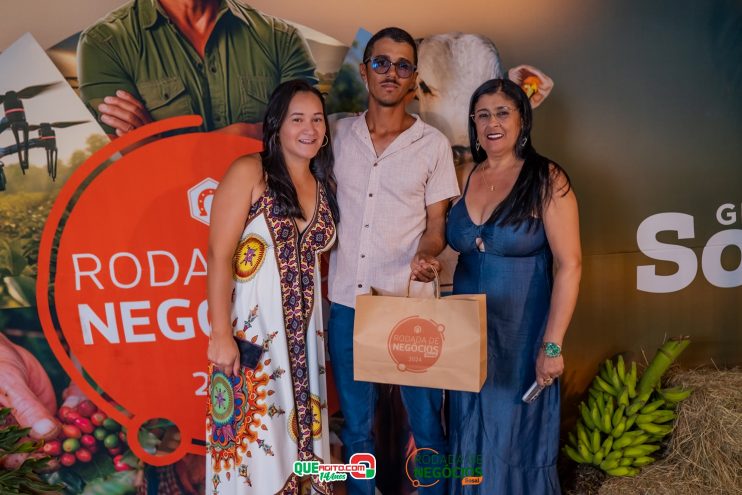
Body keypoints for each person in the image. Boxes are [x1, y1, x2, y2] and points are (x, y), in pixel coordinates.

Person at [327, 27, 459, 495]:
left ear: (413, 79)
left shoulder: (433, 145)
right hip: (347, 303)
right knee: (356, 429)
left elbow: (437, 226)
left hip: (409, 306)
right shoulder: (336, 134)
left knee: (427, 425)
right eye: (381, 63)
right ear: (365, 71)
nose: (391, 73)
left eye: (403, 65)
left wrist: (427, 254)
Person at [445, 78, 581, 494]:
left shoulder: (546, 177)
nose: (493, 123)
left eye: (503, 113)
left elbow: (570, 265)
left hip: (522, 339)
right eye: (483, 115)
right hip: (466, 339)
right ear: (473, 123)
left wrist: (551, 346)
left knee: (512, 440)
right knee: (468, 432)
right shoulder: (465, 174)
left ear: (522, 118)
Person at [206, 79, 338, 494]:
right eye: (297, 119)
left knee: (302, 445)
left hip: (307, 345)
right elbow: (219, 255)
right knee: (255, 449)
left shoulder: (323, 185)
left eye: (317, 119)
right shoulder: (250, 170)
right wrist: (220, 334)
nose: (309, 128)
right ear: (277, 125)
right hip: (254, 339)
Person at [77, 0, 318, 139]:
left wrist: (160, 144)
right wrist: (249, 135)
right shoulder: (105, 43)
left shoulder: (283, 40)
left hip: (267, 210)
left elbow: (307, 140)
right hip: (163, 211)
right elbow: (124, 163)